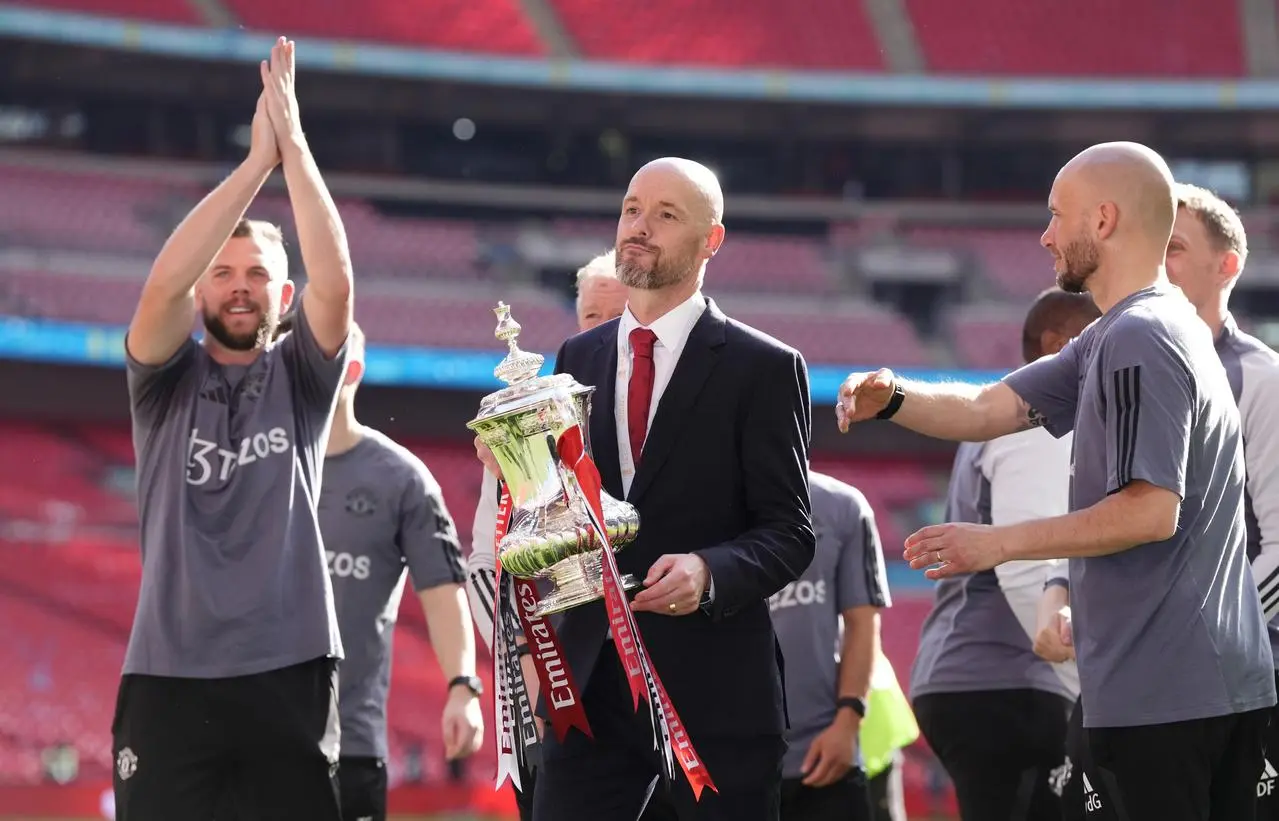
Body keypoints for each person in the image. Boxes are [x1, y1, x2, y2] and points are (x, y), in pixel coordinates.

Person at [836, 141, 1276, 821]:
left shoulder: (1140, 337)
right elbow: (988, 408)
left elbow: (1147, 511)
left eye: (1055, 214)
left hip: (1164, 696)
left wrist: (995, 544)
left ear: (1101, 221)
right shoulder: (1128, 332)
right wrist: (893, 394)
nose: (1044, 235)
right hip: (1187, 687)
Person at [475, 157, 815, 821]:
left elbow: (790, 531)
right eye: (632, 209)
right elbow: (566, 511)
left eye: (665, 215)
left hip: (714, 693)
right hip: (588, 685)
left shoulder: (764, 367)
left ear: (709, 240)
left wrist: (708, 570)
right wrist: (520, 478)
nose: (639, 226)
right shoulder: (578, 359)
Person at [113, 38, 354, 820]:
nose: (240, 287)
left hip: (289, 666)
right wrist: (255, 165)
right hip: (168, 670)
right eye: (223, 272)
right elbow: (160, 284)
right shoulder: (162, 378)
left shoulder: (304, 377)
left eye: (257, 275)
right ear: (201, 290)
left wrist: (295, 146)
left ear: (282, 295)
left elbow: (337, 279)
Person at [1037, 182, 1279, 821]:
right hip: (1130, 672)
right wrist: (1066, 594)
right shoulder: (1113, 348)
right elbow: (1107, 497)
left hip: (1226, 677)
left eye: (1175, 247)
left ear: (1227, 265)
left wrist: (1224, 625)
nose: (1158, 259)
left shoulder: (1262, 378)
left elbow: (1277, 541)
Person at [910, 287, 1099, 821]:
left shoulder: (1008, 422)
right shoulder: (1038, 422)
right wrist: (1078, 675)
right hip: (1010, 680)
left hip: (980, 677)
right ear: (1058, 343)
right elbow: (1030, 560)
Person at [464, 247, 629, 821]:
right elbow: (488, 564)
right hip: (549, 688)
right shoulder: (526, 434)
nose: (604, 329)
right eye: (591, 316)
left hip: (652, 681)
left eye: (620, 314)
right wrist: (533, 665)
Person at [315, 321, 484, 821]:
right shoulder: (262, 466)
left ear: (353, 370)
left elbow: (444, 589)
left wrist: (462, 686)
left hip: (348, 743)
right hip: (250, 736)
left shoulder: (402, 478)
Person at [771, 471, 890, 821]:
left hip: (824, 755)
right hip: (732, 762)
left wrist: (848, 722)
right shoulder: (701, 509)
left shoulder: (844, 505)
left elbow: (863, 621)